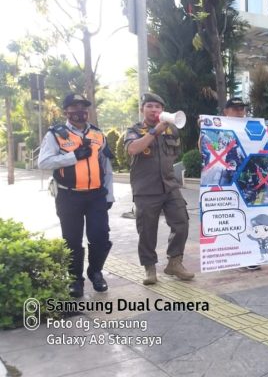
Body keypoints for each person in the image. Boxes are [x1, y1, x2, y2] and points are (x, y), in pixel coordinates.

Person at [38, 93, 114, 297]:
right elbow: (43, 162)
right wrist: (73, 157)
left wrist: (109, 196)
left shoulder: (98, 135)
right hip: (68, 196)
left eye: (83, 107)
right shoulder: (56, 134)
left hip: (96, 195)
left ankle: (96, 272)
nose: (79, 112)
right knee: (71, 239)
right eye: (74, 108)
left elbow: (107, 167)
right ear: (66, 111)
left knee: (100, 237)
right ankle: (75, 280)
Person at [124, 93, 195, 285]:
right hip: (146, 188)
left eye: (158, 107)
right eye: (150, 106)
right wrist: (155, 131)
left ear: (163, 110)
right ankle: (149, 267)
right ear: (142, 109)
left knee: (182, 222)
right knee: (147, 230)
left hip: (170, 186)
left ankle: (175, 262)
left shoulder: (172, 130)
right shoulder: (134, 130)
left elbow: (174, 155)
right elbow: (133, 149)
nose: (154, 110)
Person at [222, 97, 262, 271]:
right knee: (232, 218)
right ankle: (232, 254)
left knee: (251, 217)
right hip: (229, 181)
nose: (239, 111)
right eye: (235, 108)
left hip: (249, 181)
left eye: (241, 108)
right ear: (226, 111)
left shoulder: (251, 128)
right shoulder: (218, 128)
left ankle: (251, 255)